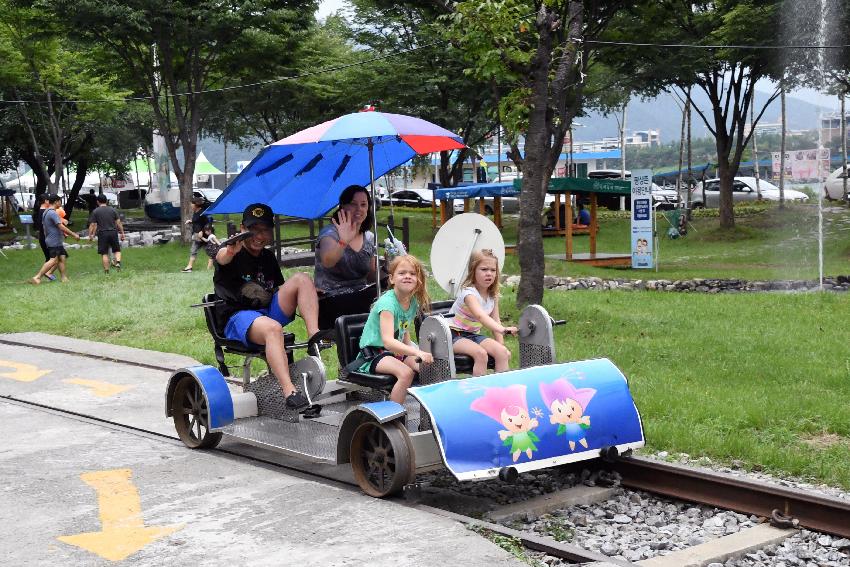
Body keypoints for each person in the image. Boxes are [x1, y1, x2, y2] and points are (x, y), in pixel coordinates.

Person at [213, 203, 321, 410]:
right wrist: (230, 250)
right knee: (273, 329)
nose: (259, 236)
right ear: (243, 228)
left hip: (266, 310)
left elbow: (278, 289)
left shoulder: (268, 257)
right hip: (239, 316)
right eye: (253, 229)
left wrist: (307, 294)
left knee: (302, 279)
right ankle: (290, 391)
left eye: (264, 230)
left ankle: (314, 339)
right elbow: (221, 258)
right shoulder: (230, 253)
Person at [349, 254, 433, 404]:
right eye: (402, 273)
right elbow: (388, 341)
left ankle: (427, 416)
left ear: (418, 279)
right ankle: (395, 416)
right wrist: (416, 352)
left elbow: (404, 330)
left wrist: (414, 351)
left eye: (412, 274)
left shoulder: (412, 302)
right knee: (406, 373)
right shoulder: (387, 304)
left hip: (395, 353)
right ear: (392, 279)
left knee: (427, 369)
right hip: (374, 355)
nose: (407, 276)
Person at [314, 184, 380, 329]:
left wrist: (390, 268)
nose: (359, 209)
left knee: (393, 294)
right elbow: (328, 261)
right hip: (331, 300)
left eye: (363, 205)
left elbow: (371, 276)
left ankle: (400, 345)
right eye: (353, 204)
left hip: (362, 297)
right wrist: (344, 241)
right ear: (342, 206)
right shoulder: (330, 233)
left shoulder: (369, 237)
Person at [447, 249, 516, 376]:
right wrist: (503, 330)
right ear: (473, 271)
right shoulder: (469, 294)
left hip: (472, 335)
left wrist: (500, 345)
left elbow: (495, 320)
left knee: (502, 352)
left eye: (493, 270)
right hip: (453, 335)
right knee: (481, 354)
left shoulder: (492, 295)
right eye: (484, 269)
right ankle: (480, 392)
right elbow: (481, 316)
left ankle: (503, 391)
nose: (489, 274)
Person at [30, 194, 80, 284]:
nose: (61, 203)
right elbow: (61, 226)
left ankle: (64, 278)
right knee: (53, 260)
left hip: (54, 240)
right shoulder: (52, 213)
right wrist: (74, 234)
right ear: (56, 201)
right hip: (54, 241)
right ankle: (37, 277)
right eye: (60, 201)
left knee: (61, 258)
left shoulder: (46, 212)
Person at [88, 194, 125, 273]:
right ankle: (118, 262)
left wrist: (90, 235)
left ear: (98, 202)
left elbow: (92, 224)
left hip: (102, 233)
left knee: (104, 253)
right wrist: (122, 233)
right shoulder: (113, 210)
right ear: (106, 201)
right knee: (117, 250)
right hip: (113, 232)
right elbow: (118, 222)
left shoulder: (95, 211)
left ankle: (107, 271)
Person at [32, 194, 57, 282]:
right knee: (53, 258)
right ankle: (41, 275)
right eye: (49, 200)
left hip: (42, 237)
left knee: (50, 258)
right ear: (46, 201)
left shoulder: (39, 212)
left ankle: (47, 275)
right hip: (47, 238)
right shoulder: (46, 212)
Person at [182, 197, 209, 272]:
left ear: (195, 205)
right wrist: (191, 221)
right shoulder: (196, 212)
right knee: (193, 250)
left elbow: (208, 224)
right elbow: (197, 221)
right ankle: (189, 267)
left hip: (203, 236)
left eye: (192, 204)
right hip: (197, 236)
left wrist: (202, 231)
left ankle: (220, 264)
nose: (191, 205)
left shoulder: (202, 213)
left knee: (210, 251)